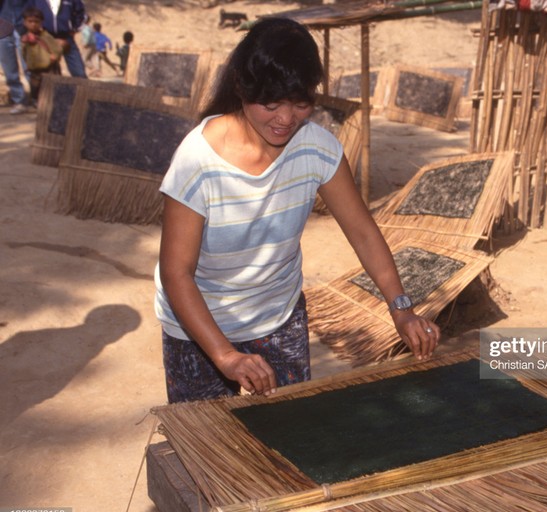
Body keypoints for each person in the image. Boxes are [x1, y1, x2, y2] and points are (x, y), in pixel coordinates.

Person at [155, 17, 440, 404]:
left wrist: (402, 308)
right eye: (271, 103)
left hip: (279, 318)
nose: (286, 118)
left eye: (300, 102)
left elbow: (363, 232)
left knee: (290, 440)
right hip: (197, 327)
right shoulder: (197, 163)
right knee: (203, 450)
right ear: (241, 87)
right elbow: (177, 274)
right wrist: (224, 355)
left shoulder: (316, 149)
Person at [24, 0, 86, 78]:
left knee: (78, 72)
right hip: (44, 37)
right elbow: (28, 14)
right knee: (47, 72)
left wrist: (74, 29)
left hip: (66, 37)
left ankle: (82, 89)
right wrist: (32, 32)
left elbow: (80, 13)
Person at [19, 6, 60, 104]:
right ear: (25, 22)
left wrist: (54, 56)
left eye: (36, 22)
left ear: (41, 23)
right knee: (35, 88)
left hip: (49, 67)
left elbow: (57, 48)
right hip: (34, 69)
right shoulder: (24, 39)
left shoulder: (45, 36)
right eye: (30, 21)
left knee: (50, 88)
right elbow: (24, 53)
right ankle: (36, 103)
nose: (33, 24)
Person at [0, 0, 29, 114]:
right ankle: (19, 100)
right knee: (9, 69)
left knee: (28, 67)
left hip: (24, 28)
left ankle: (37, 98)